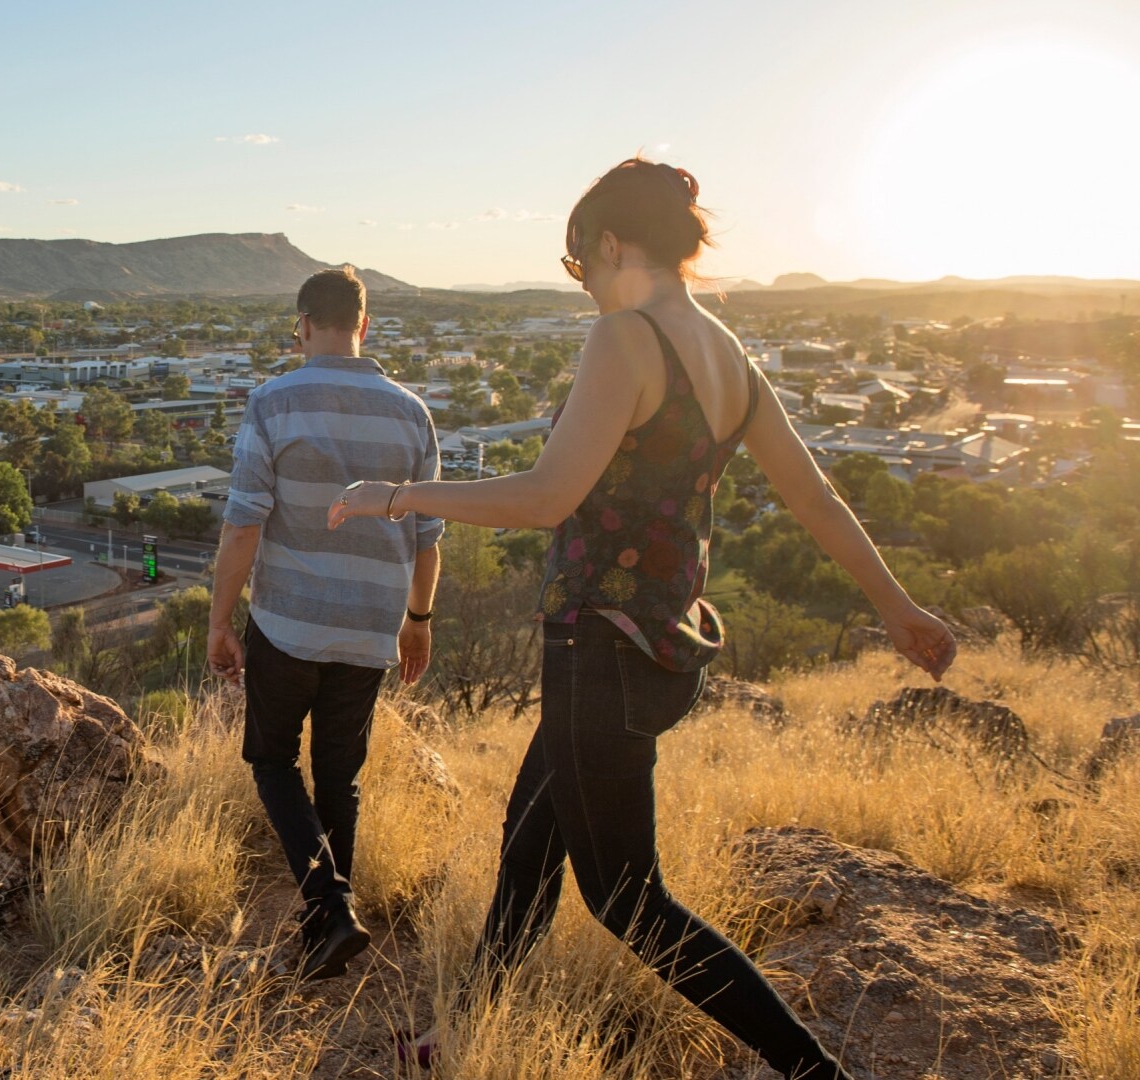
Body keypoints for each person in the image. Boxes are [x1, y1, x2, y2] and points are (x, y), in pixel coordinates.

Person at [329, 158, 956, 1079]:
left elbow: (545, 497)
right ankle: (453, 1039)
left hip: (600, 649)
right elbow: (815, 499)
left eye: (580, 262)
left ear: (614, 245)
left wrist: (397, 496)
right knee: (529, 844)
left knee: (629, 901)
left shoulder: (624, 339)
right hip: (662, 644)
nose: (582, 283)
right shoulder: (727, 354)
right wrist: (895, 607)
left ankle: (814, 1071)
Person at [208, 265, 445, 980]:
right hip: (371, 629)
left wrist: (220, 621)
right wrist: (419, 620)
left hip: (287, 625)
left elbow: (243, 525)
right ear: (364, 325)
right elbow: (428, 536)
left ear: (304, 325)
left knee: (272, 761)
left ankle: (332, 908)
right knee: (339, 779)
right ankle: (327, 934)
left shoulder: (273, 402)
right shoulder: (412, 413)